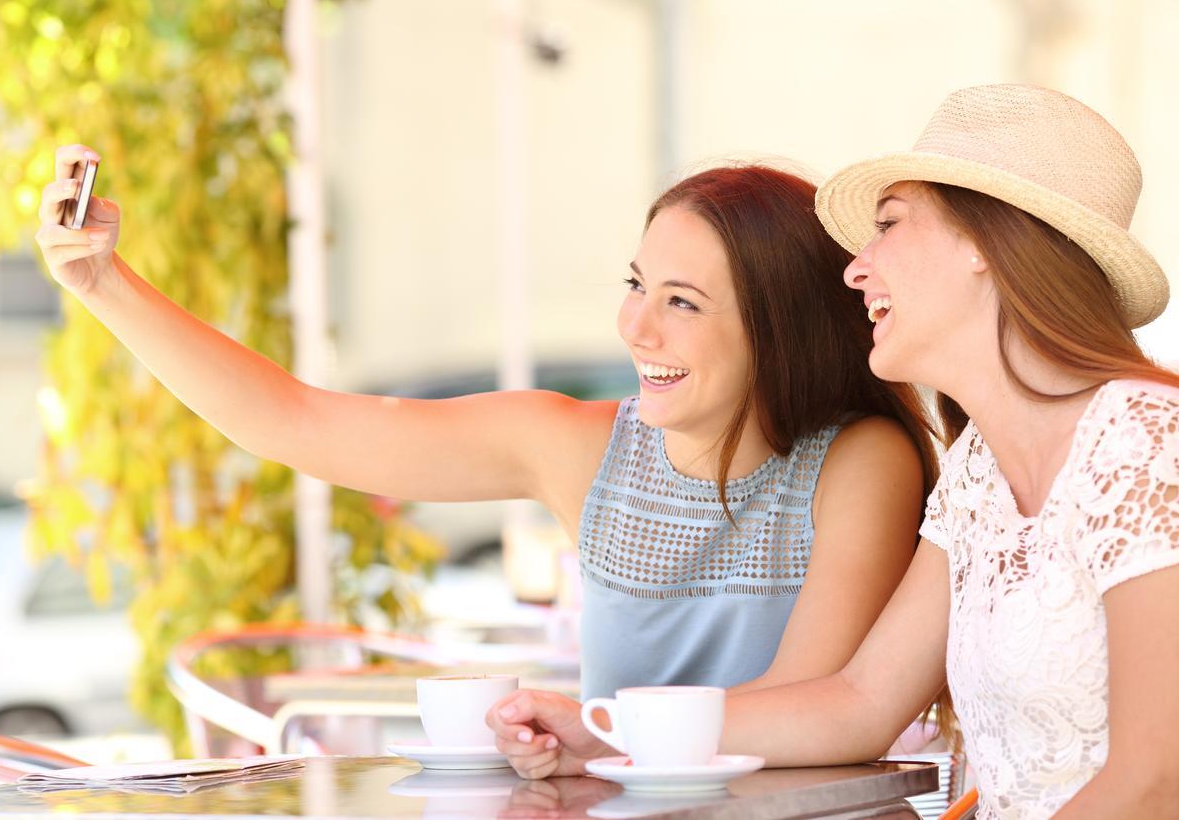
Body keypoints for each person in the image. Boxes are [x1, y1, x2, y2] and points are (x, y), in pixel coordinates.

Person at [489, 85, 1179, 818]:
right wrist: (607, 734)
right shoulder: (979, 471)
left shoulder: (1146, 441)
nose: (856, 268)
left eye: (888, 225)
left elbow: (1155, 775)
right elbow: (858, 702)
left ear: (983, 243)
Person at [35, 158, 936, 709]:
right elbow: (297, 421)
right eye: (636, 284)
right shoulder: (577, 447)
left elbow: (810, 705)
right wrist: (103, 285)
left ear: (777, 330)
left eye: (682, 303)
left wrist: (589, 731)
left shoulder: (860, 463)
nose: (636, 328)